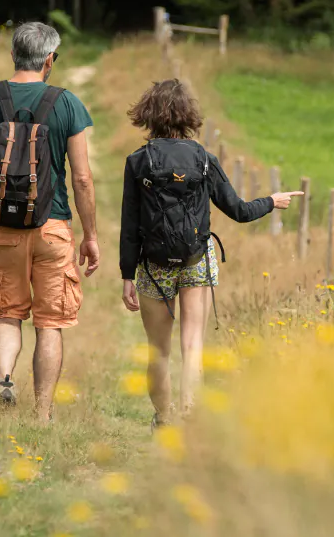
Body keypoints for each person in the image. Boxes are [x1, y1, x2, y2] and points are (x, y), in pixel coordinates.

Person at [119, 78, 302, 428]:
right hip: (195, 262)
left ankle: (163, 417)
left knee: (157, 351)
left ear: (148, 115)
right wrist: (271, 202)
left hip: (153, 266)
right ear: (188, 114)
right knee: (193, 347)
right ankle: (189, 419)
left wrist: (127, 276)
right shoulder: (204, 159)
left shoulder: (138, 161)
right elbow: (238, 210)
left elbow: (130, 226)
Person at [0, 21, 99, 423]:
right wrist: (90, 235)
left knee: (6, 313)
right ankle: (42, 414)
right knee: (50, 323)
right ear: (50, 59)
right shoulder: (66, 103)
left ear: (12, 55)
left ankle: (5, 377)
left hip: (2, 228)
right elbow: (82, 178)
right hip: (52, 227)